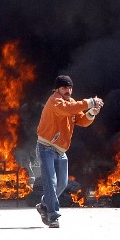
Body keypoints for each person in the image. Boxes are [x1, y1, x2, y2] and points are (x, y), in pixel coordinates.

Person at [35, 75, 104, 228]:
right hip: (46, 148)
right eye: (65, 87)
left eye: (70, 87)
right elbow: (68, 109)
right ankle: (53, 216)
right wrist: (89, 102)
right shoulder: (55, 101)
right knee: (51, 183)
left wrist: (91, 113)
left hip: (61, 152)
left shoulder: (71, 103)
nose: (68, 90)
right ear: (57, 89)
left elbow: (81, 120)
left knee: (62, 184)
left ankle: (44, 205)